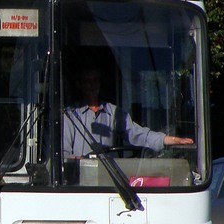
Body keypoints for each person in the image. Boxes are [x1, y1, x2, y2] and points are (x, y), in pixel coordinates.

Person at [62, 65, 194, 158]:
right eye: (87, 81)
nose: (92, 85)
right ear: (80, 85)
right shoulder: (70, 115)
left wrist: (168, 139)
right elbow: (64, 154)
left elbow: (137, 134)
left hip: (110, 179)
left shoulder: (113, 112)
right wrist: (80, 161)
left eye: (95, 80)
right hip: (81, 184)